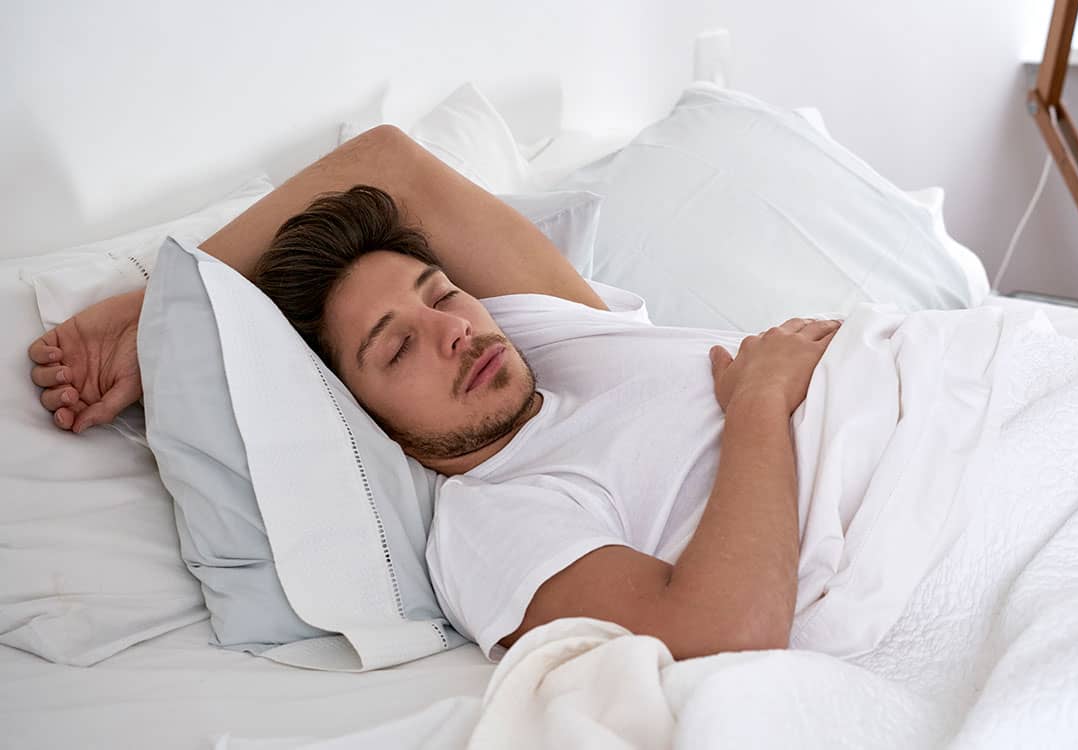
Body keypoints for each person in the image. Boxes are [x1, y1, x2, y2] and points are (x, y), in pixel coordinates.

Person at [26, 125, 840, 661]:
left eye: (444, 294)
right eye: (396, 346)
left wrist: (151, 307)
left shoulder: (567, 339)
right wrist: (759, 404)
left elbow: (388, 162)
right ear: (364, 419)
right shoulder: (491, 521)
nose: (451, 330)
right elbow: (720, 638)